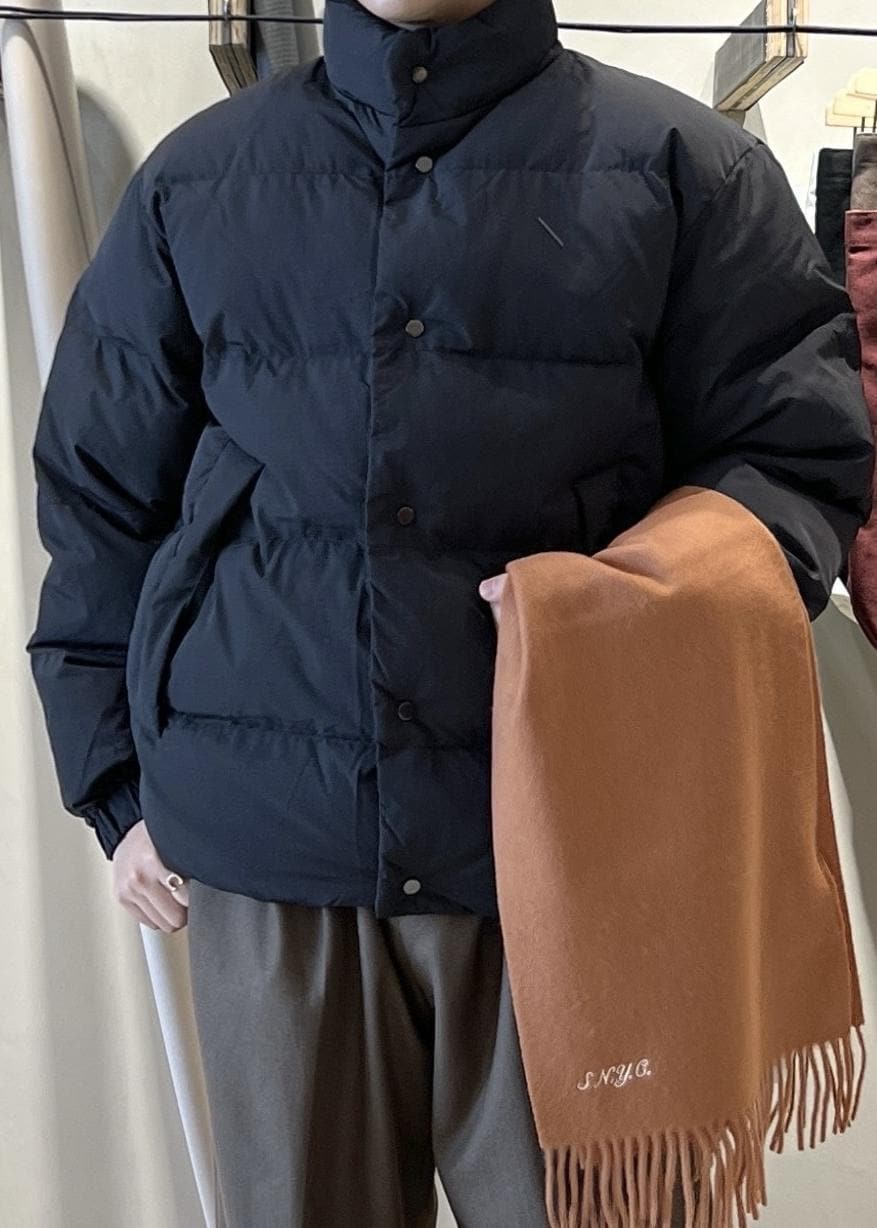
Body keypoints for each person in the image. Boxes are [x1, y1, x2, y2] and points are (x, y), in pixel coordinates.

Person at [26, 1, 874, 1225]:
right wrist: (113, 781)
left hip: (583, 843)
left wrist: (633, 604)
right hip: (275, 861)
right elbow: (100, 495)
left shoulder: (686, 168)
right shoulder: (199, 181)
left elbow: (794, 459)